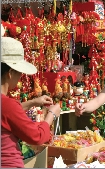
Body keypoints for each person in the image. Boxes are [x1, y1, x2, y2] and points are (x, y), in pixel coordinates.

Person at [1, 36, 61, 168]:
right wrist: (51, 114)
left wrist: (32, 102)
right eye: (19, 73)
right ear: (10, 73)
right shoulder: (8, 105)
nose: (20, 77)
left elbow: (6, 114)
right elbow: (37, 137)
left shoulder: (7, 106)